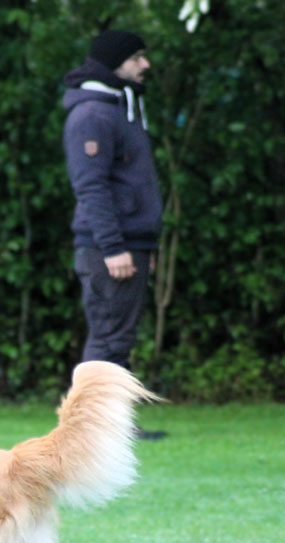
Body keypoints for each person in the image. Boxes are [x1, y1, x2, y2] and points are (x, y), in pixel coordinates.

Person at [62, 29, 167, 440]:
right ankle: (92, 432)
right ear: (114, 63)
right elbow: (91, 187)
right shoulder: (92, 115)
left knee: (117, 338)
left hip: (129, 245)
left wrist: (145, 245)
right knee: (107, 338)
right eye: (137, 57)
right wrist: (113, 247)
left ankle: (114, 428)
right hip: (109, 248)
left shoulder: (121, 109)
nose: (145, 65)